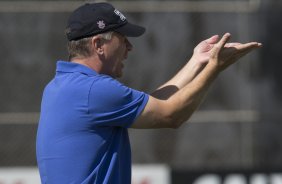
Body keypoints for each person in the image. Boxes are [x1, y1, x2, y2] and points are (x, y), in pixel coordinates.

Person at [36, 2, 262, 184]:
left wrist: (197, 61)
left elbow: (157, 104)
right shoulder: (94, 91)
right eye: (123, 39)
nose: (130, 48)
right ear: (98, 45)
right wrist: (215, 67)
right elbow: (171, 115)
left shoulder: (62, 86)